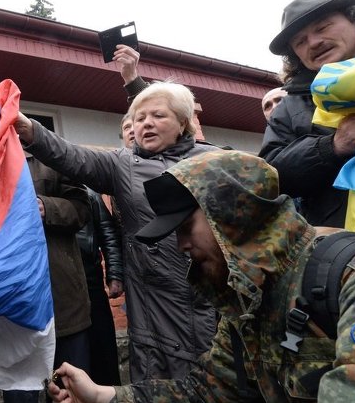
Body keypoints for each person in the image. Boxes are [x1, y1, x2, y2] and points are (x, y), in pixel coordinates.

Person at [48, 150, 355, 403]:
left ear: (231, 216)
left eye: (186, 228)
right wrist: (104, 398)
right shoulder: (248, 301)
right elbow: (209, 400)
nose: (180, 245)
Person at [14, 82, 217, 384]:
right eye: (139, 117)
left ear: (183, 123)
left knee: (213, 386)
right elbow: (71, 156)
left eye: (158, 115)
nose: (145, 123)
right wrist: (29, 129)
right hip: (152, 305)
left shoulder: (215, 161)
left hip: (207, 299)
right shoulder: (122, 164)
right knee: (156, 390)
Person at [0, 100, 94, 403]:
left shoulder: (49, 163)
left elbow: (82, 209)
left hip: (64, 305)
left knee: (70, 396)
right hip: (11, 311)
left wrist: (44, 207)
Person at [260, 0, 355, 227]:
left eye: (323, 27)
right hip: (349, 251)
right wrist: (332, 146)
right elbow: (268, 177)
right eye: (300, 41)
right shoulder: (290, 105)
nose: (313, 43)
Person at [74, 187, 123, 403]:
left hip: (91, 280)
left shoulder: (89, 193)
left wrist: (115, 275)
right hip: (58, 286)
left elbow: (108, 233)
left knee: (104, 352)